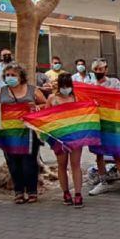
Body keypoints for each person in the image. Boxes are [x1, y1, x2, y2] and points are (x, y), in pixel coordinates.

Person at [0, 64, 47, 204]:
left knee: (29, 164)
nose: (10, 78)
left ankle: (32, 192)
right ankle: (18, 192)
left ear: (21, 77)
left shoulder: (33, 91)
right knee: (13, 164)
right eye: (7, 75)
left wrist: (36, 107)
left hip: (29, 134)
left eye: (13, 75)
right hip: (8, 135)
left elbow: (46, 105)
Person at [88, 59, 120, 200]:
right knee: (99, 154)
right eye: (95, 69)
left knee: (117, 154)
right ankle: (103, 182)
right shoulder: (90, 85)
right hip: (96, 123)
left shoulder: (114, 83)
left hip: (112, 122)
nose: (98, 72)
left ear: (106, 69)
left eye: (100, 69)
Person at [46, 75, 85, 207]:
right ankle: (66, 192)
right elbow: (45, 116)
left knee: (76, 164)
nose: (65, 89)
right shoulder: (52, 99)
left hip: (75, 137)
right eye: (63, 86)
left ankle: (78, 194)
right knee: (62, 165)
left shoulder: (77, 98)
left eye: (67, 85)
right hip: (58, 137)